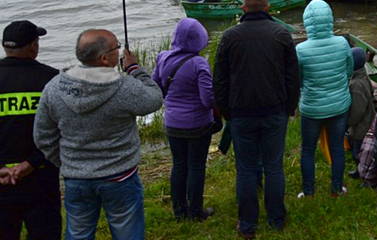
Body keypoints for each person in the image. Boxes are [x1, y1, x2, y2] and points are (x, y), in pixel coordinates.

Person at [34, 29, 163, 240]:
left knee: (78, 233)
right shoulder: (124, 86)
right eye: (116, 47)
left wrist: (67, 162)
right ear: (104, 58)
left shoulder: (54, 87)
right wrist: (134, 68)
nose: (119, 50)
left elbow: (43, 137)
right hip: (120, 176)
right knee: (127, 232)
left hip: (76, 177)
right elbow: (154, 99)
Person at [213, 0, 299, 238]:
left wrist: (227, 111)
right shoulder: (281, 34)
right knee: (273, 166)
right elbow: (292, 78)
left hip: (241, 112)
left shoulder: (230, 37)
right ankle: (276, 218)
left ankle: (248, 223)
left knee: (246, 168)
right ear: (268, 7)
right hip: (274, 110)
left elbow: (220, 80)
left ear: (243, 8)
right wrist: (289, 106)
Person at [0, 20, 60, 240]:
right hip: (41, 175)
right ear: (33, 46)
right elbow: (60, 131)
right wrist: (32, 163)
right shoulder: (52, 79)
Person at [152, 18, 215, 221]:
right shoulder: (199, 63)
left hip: (172, 123)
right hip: (198, 124)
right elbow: (207, 100)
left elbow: (157, 88)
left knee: (179, 165)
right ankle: (196, 211)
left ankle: (179, 211)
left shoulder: (162, 58)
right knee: (196, 166)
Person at [296, 0, 353, 198]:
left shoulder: (301, 50)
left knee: (308, 150)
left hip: (311, 107)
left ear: (307, 22)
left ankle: (308, 190)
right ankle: (337, 188)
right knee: (337, 147)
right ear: (329, 19)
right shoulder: (342, 43)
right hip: (339, 105)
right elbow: (348, 69)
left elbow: (299, 79)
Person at [346, 47, 375, 178]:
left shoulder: (356, 84)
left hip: (361, 127)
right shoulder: (363, 77)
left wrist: (348, 122)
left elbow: (358, 110)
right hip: (368, 120)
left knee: (358, 152)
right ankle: (361, 171)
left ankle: (363, 173)